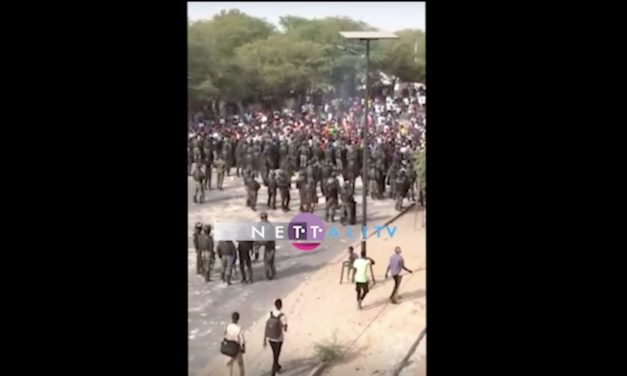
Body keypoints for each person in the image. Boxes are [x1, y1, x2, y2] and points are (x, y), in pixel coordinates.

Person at [263, 299, 288, 376]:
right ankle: (273, 372)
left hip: (270, 338)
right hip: (279, 338)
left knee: (275, 353)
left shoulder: (269, 314)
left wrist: (264, 339)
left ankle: (277, 366)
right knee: (276, 355)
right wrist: (285, 326)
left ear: (275, 305)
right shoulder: (282, 316)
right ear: (281, 306)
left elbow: (266, 325)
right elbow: (285, 329)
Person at [224, 311, 245, 376]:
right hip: (236, 348)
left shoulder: (228, 326)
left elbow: (225, 335)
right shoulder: (239, 328)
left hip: (229, 347)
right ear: (238, 319)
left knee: (229, 366)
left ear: (232, 318)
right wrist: (243, 348)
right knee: (241, 366)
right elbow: (242, 340)